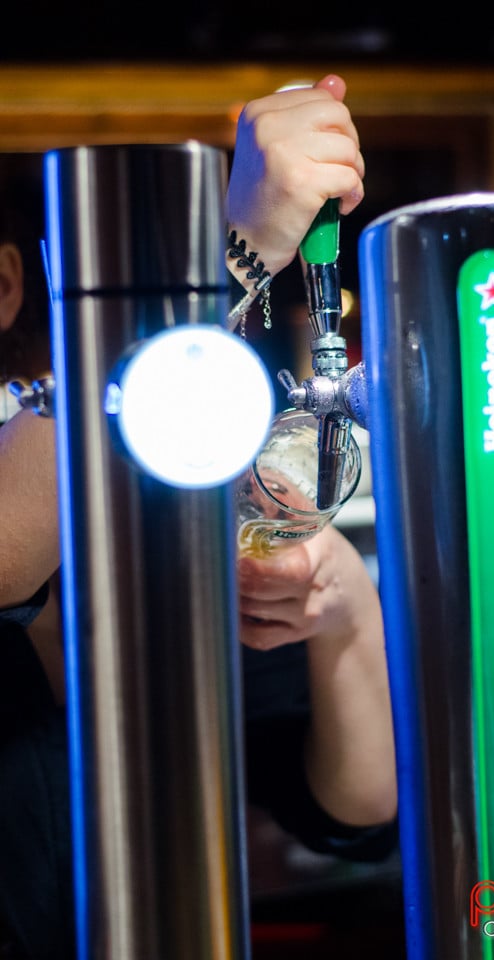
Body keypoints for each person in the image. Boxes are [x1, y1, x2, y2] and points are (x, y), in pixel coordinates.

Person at [0, 76, 398, 959]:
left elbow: (357, 810)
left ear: (5, 282)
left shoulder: (177, 486)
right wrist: (237, 253)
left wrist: (344, 612)